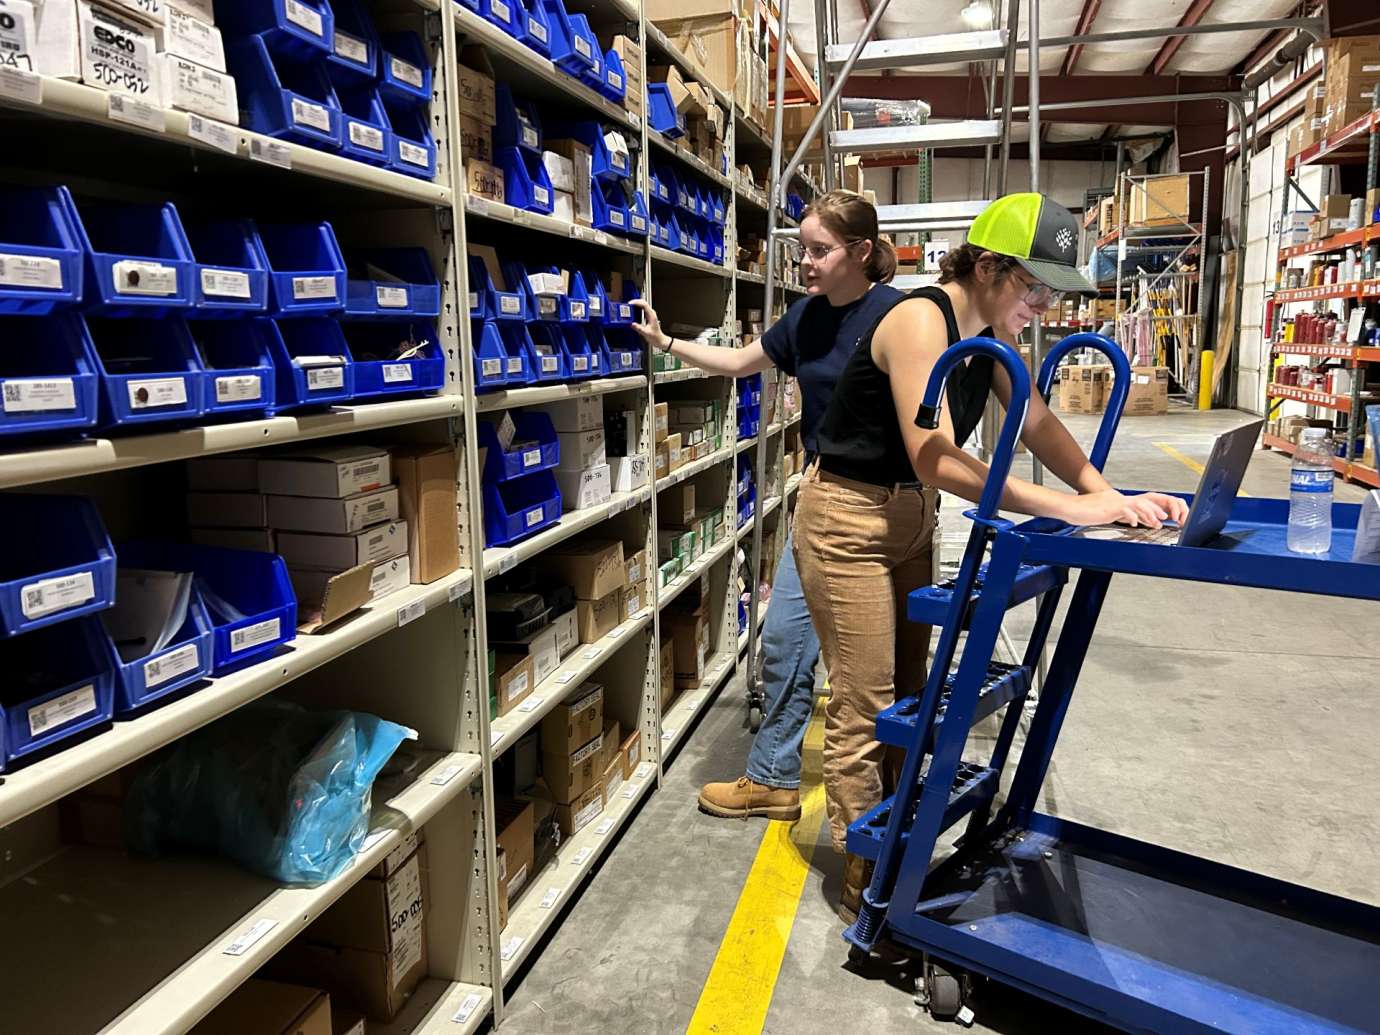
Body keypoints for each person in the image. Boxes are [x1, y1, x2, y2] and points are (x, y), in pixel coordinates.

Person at [792, 192, 1191, 919]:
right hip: (847, 516)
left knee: (909, 692)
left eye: (1051, 290)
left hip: (908, 519)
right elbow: (936, 457)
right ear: (985, 266)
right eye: (1032, 285)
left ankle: (896, 844)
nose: (1043, 303)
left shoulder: (994, 345)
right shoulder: (919, 320)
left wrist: (1115, 497)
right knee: (867, 695)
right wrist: (1074, 508)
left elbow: (1036, 421)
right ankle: (864, 870)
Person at [631, 190, 906, 822]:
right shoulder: (807, 318)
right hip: (822, 499)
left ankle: (881, 814)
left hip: (884, 510)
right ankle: (775, 777)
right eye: (801, 249)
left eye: (820, 250)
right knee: (782, 639)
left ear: (861, 252)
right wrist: (666, 341)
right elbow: (737, 363)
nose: (806, 262)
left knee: (870, 680)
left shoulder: (898, 315)